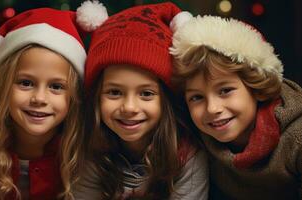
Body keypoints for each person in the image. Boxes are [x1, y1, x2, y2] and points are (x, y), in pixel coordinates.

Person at [0, 3, 107, 199]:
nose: (39, 98)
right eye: (25, 83)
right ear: (4, 86)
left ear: (75, 95)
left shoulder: (85, 141)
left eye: (56, 87)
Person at [73, 2, 209, 200]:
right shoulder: (91, 151)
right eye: (114, 92)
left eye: (146, 94)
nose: (129, 107)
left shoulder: (187, 157)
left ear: (165, 100)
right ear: (97, 95)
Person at [170, 14, 302, 199]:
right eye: (197, 97)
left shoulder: (300, 138)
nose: (212, 108)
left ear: (256, 87)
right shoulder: (195, 138)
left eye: (225, 90)